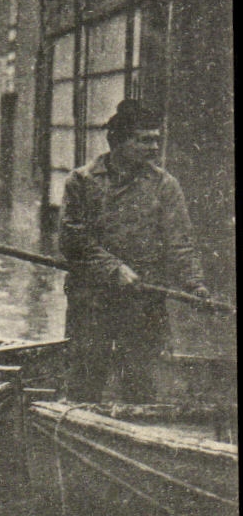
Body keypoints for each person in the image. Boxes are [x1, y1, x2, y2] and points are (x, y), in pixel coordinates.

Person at [59, 99, 209, 403]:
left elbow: (180, 244)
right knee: (85, 379)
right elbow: (73, 241)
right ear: (119, 141)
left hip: (143, 301)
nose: (154, 147)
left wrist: (195, 284)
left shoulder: (165, 185)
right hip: (91, 299)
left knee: (140, 384)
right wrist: (114, 269)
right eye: (144, 140)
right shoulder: (82, 181)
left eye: (156, 139)